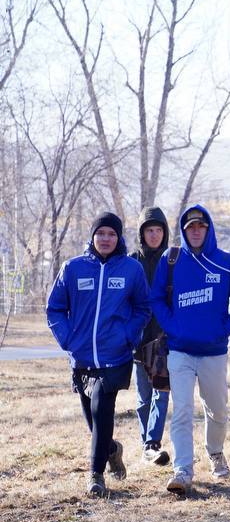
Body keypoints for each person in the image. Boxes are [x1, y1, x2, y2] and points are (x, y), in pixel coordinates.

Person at [47, 212, 151, 496]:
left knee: (102, 409)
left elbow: (143, 307)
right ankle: (112, 449)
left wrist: (128, 336)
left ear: (119, 238)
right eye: (101, 233)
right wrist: (68, 339)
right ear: (93, 236)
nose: (106, 239)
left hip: (115, 357)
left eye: (112, 234)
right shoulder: (73, 268)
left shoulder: (131, 269)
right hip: (81, 358)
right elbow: (55, 308)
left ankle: (96, 475)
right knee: (94, 422)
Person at [150, 205, 230, 495]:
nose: (195, 231)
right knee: (181, 410)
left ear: (208, 229)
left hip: (213, 352)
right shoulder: (171, 259)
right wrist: (173, 327)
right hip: (179, 351)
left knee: (217, 410)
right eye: (190, 226)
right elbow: (156, 298)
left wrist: (222, 330)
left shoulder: (227, 262)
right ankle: (182, 470)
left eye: (200, 226)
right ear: (183, 230)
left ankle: (215, 451)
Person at [130, 207, 172, 466]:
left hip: (164, 339)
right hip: (138, 339)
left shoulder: (173, 260)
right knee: (143, 397)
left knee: (161, 392)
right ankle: (146, 444)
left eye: (158, 230)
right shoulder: (131, 261)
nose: (154, 235)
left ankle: (152, 443)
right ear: (142, 233)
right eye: (149, 230)